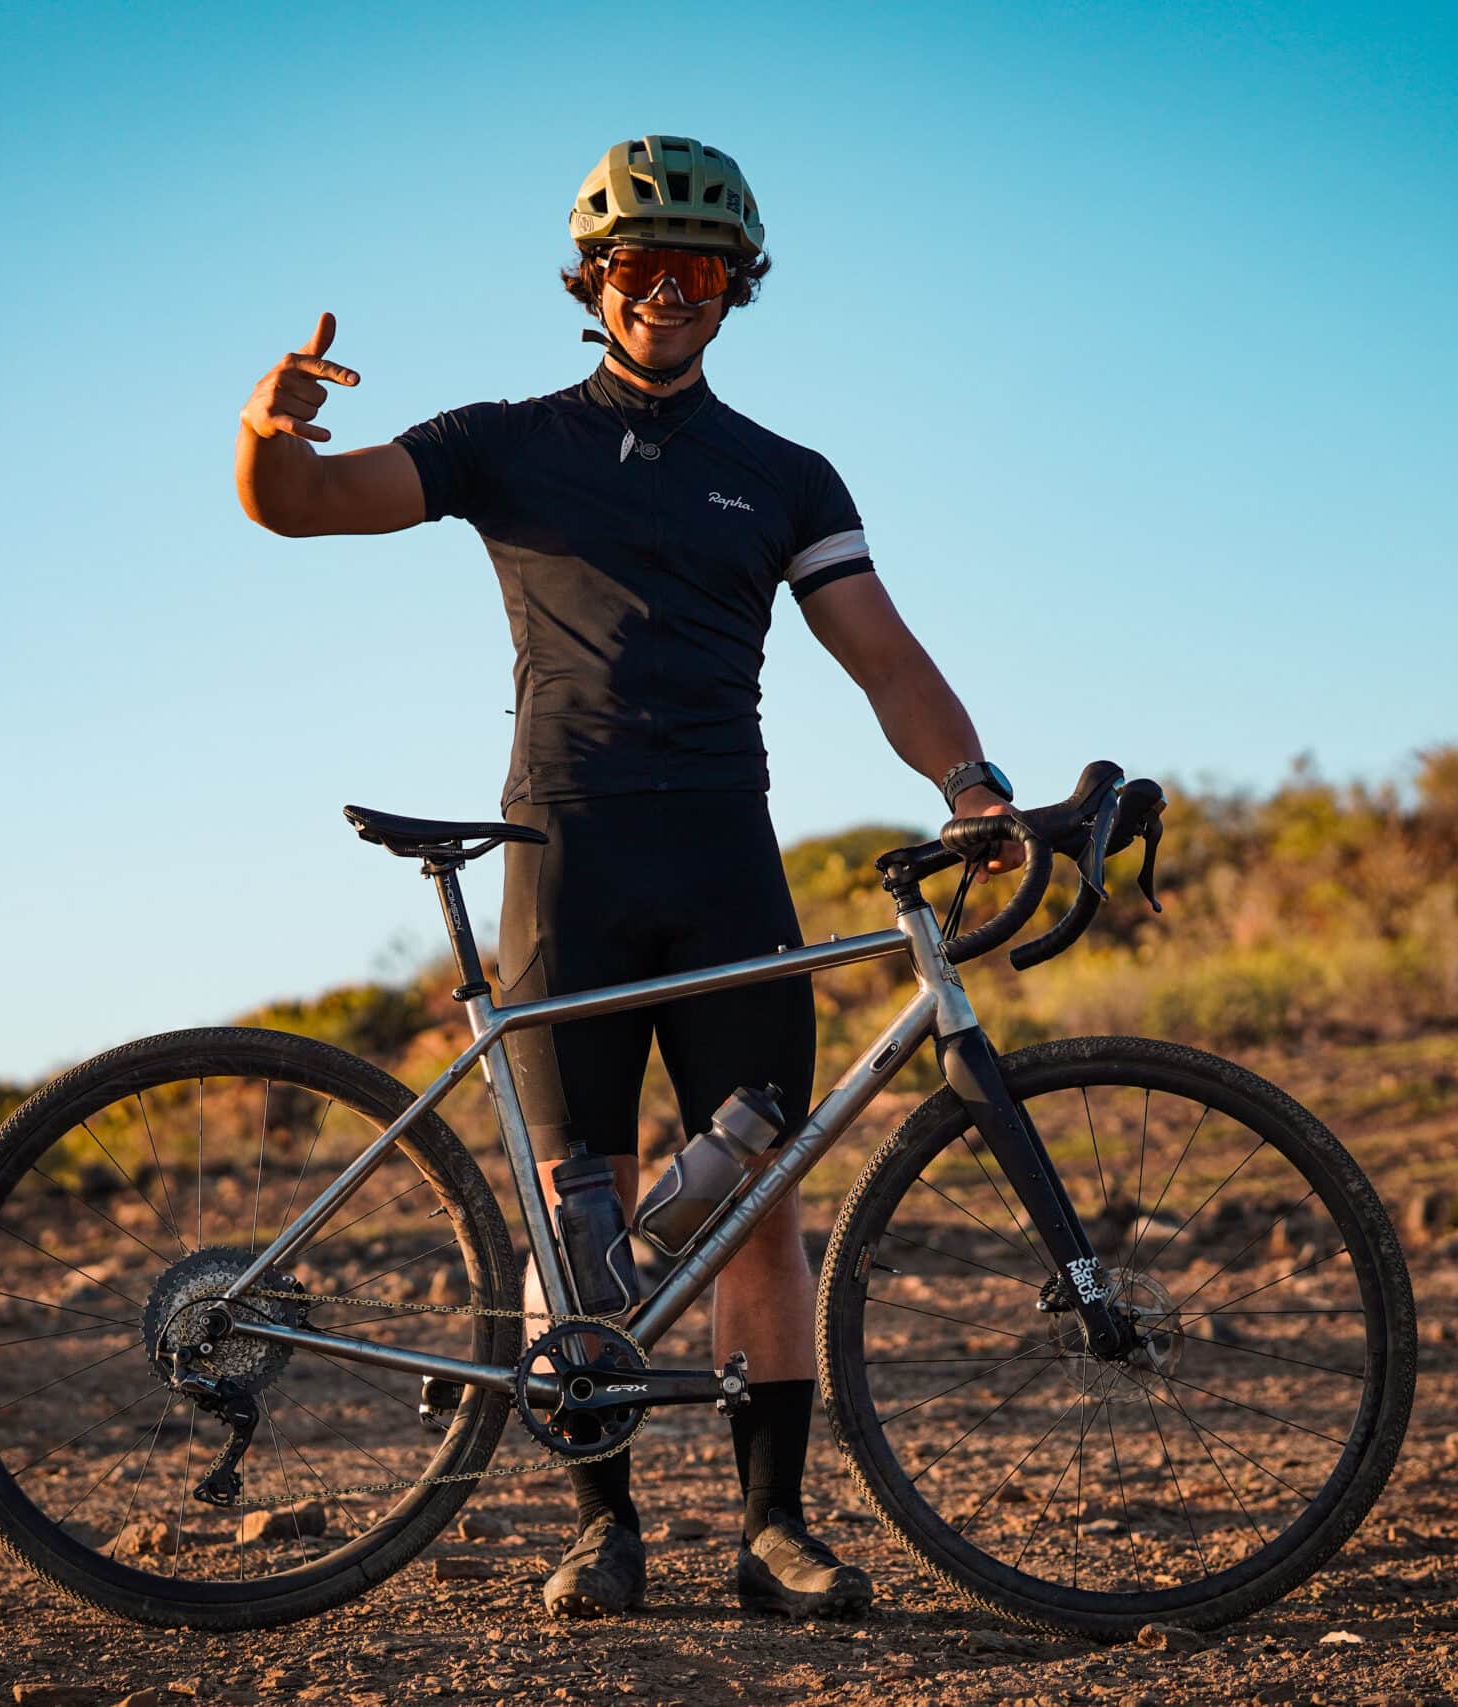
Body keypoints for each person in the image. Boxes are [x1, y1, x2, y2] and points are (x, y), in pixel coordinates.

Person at [233, 134, 1021, 1621]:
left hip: (725, 852)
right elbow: (306, 505)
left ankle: (773, 1531)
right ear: (595, 281)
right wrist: (267, 437)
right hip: (564, 851)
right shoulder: (502, 442)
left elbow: (887, 658)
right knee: (568, 1203)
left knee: (764, 1200)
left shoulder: (783, 476)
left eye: (700, 269)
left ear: (736, 289)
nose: (668, 289)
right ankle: (603, 1529)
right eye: (640, 265)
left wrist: (969, 782)